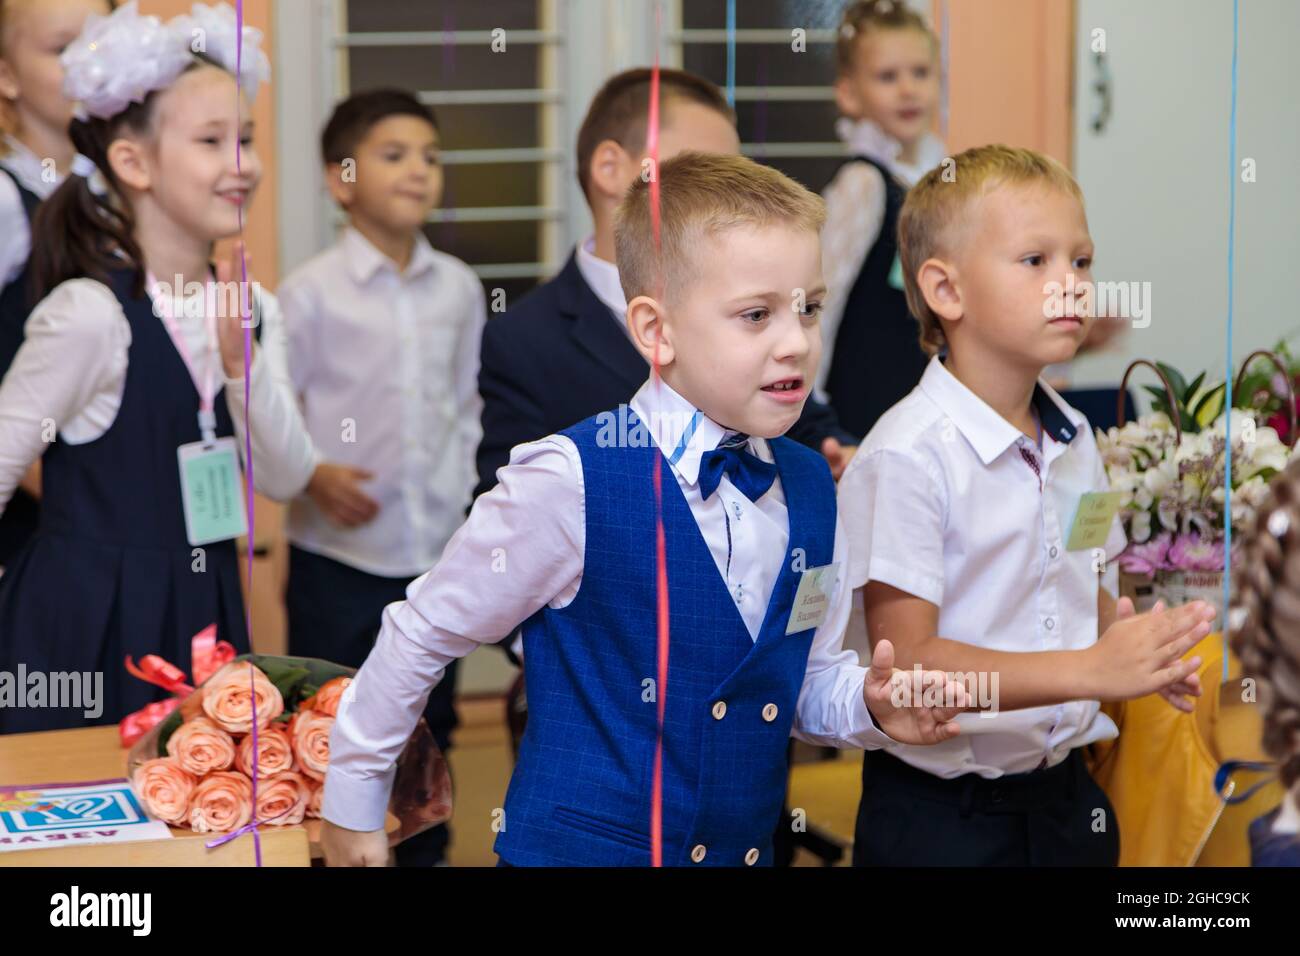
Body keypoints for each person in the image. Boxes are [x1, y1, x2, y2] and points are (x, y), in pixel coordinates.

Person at [321, 151, 973, 867]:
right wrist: (354, 802)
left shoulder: (812, 485)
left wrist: (872, 706)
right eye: (755, 315)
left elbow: (802, 682)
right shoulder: (570, 479)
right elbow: (421, 632)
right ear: (655, 331)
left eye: (808, 308)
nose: (797, 342)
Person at [839, 144, 1216, 865]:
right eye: (1035, 262)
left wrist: (1140, 646)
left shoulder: (1074, 440)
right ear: (946, 292)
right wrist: (1088, 670)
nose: (1071, 286)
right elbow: (911, 664)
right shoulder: (908, 454)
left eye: (1081, 262)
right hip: (945, 821)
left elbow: (1079, 591)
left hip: (1064, 800)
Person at [0, 2, 314, 732]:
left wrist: (244, 367)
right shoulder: (88, 314)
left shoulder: (255, 309)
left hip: (206, 618)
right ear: (132, 161)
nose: (244, 165)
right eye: (212, 141)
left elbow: (289, 475)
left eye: (248, 138)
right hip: (78, 632)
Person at [277, 88, 485, 865]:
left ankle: (424, 851)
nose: (418, 171)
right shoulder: (308, 293)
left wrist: (466, 502)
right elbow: (273, 418)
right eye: (394, 155)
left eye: (430, 157)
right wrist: (312, 474)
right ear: (342, 178)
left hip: (434, 556)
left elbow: (467, 407)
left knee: (432, 731)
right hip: (338, 556)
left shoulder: (459, 288)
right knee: (328, 725)